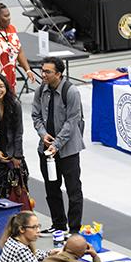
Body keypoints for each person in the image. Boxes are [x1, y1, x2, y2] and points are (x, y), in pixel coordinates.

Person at [31, 56, 85, 235]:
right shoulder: (41, 91)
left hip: (68, 151)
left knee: (73, 190)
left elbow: (72, 121)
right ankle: (59, 225)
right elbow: (36, 116)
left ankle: (74, 229)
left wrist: (57, 143)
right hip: (46, 150)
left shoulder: (71, 92)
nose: (43, 74)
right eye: (42, 70)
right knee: (51, 188)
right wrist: (43, 134)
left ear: (59, 74)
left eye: (47, 72)